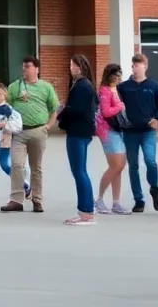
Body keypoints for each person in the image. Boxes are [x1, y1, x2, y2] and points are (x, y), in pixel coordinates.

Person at [2, 57, 58, 213]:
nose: (24, 69)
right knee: (17, 164)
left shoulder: (46, 87)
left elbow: (55, 108)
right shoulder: (14, 87)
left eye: (27, 66)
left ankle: (37, 199)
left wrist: (48, 125)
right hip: (19, 132)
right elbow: (7, 108)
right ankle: (16, 199)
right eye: (23, 66)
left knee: (36, 167)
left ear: (37, 69)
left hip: (38, 131)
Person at [117, 53, 158, 212]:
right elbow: (115, 104)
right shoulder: (124, 87)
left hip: (147, 132)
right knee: (133, 166)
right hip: (130, 132)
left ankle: (154, 188)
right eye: (133, 65)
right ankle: (138, 199)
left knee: (150, 161)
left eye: (138, 65)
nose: (135, 68)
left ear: (145, 67)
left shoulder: (153, 86)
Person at [58, 54, 98, 226]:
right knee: (81, 171)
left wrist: (62, 115)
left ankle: (86, 211)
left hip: (78, 132)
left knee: (79, 172)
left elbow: (76, 110)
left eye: (74, 65)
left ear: (81, 67)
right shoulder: (84, 85)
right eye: (71, 65)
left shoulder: (82, 87)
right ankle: (86, 209)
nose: (71, 68)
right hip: (81, 131)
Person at [94, 63, 130, 215]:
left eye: (120, 74)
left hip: (119, 129)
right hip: (108, 131)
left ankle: (116, 202)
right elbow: (106, 111)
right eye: (116, 74)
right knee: (115, 165)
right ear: (109, 75)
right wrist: (120, 107)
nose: (119, 77)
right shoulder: (104, 91)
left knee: (120, 166)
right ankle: (99, 199)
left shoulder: (117, 90)